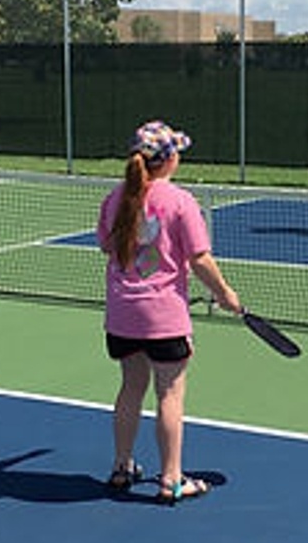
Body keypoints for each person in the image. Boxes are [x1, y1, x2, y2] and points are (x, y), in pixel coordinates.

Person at [96, 121, 241, 503]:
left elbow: (107, 248)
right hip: (164, 319)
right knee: (170, 394)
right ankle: (172, 480)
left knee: (131, 387)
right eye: (176, 150)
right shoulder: (180, 201)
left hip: (122, 317)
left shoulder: (115, 199)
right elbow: (199, 258)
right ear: (169, 159)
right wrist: (225, 293)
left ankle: (121, 466)